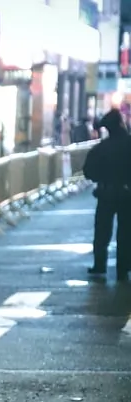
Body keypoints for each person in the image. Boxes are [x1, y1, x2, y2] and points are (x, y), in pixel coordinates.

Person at [82, 108, 131, 282]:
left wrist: (102, 177)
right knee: (126, 232)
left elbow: (88, 172)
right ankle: (123, 267)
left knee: (102, 231)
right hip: (127, 195)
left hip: (106, 193)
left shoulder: (101, 148)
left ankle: (99, 264)